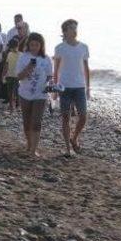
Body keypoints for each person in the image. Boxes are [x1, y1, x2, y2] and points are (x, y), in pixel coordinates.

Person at [53, 19, 90, 156]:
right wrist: (55, 89)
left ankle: (74, 138)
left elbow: (86, 68)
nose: (74, 31)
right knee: (65, 117)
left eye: (75, 28)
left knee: (83, 116)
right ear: (65, 31)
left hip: (79, 86)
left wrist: (88, 88)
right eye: (71, 28)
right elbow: (55, 70)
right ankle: (68, 148)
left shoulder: (83, 47)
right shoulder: (60, 48)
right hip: (64, 87)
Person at [16, 32, 53, 157]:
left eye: (37, 45)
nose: (34, 47)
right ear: (28, 45)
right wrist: (28, 68)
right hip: (25, 93)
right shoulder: (23, 57)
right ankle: (29, 144)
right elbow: (19, 77)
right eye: (32, 45)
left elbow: (49, 76)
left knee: (36, 121)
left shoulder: (46, 59)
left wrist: (50, 86)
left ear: (41, 45)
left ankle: (33, 150)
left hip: (40, 95)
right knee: (27, 121)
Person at [2, 38, 21, 111]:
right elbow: (6, 65)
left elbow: (6, 65)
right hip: (13, 75)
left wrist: (3, 75)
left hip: (14, 76)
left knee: (13, 91)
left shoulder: (11, 54)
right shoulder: (19, 54)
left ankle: (14, 105)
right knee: (14, 91)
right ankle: (14, 106)